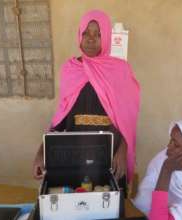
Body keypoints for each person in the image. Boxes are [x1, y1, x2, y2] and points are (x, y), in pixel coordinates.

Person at [32, 10, 140, 194]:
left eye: (98, 34)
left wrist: (124, 149)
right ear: (79, 35)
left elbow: (128, 119)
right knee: (78, 203)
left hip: (111, 155)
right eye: (86, 33)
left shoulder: (119, 70)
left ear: (106, 37)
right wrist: (41, 152)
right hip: (76, 155)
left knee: (110, 205)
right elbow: (61, 116)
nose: (91, 39)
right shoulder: (70, 69)